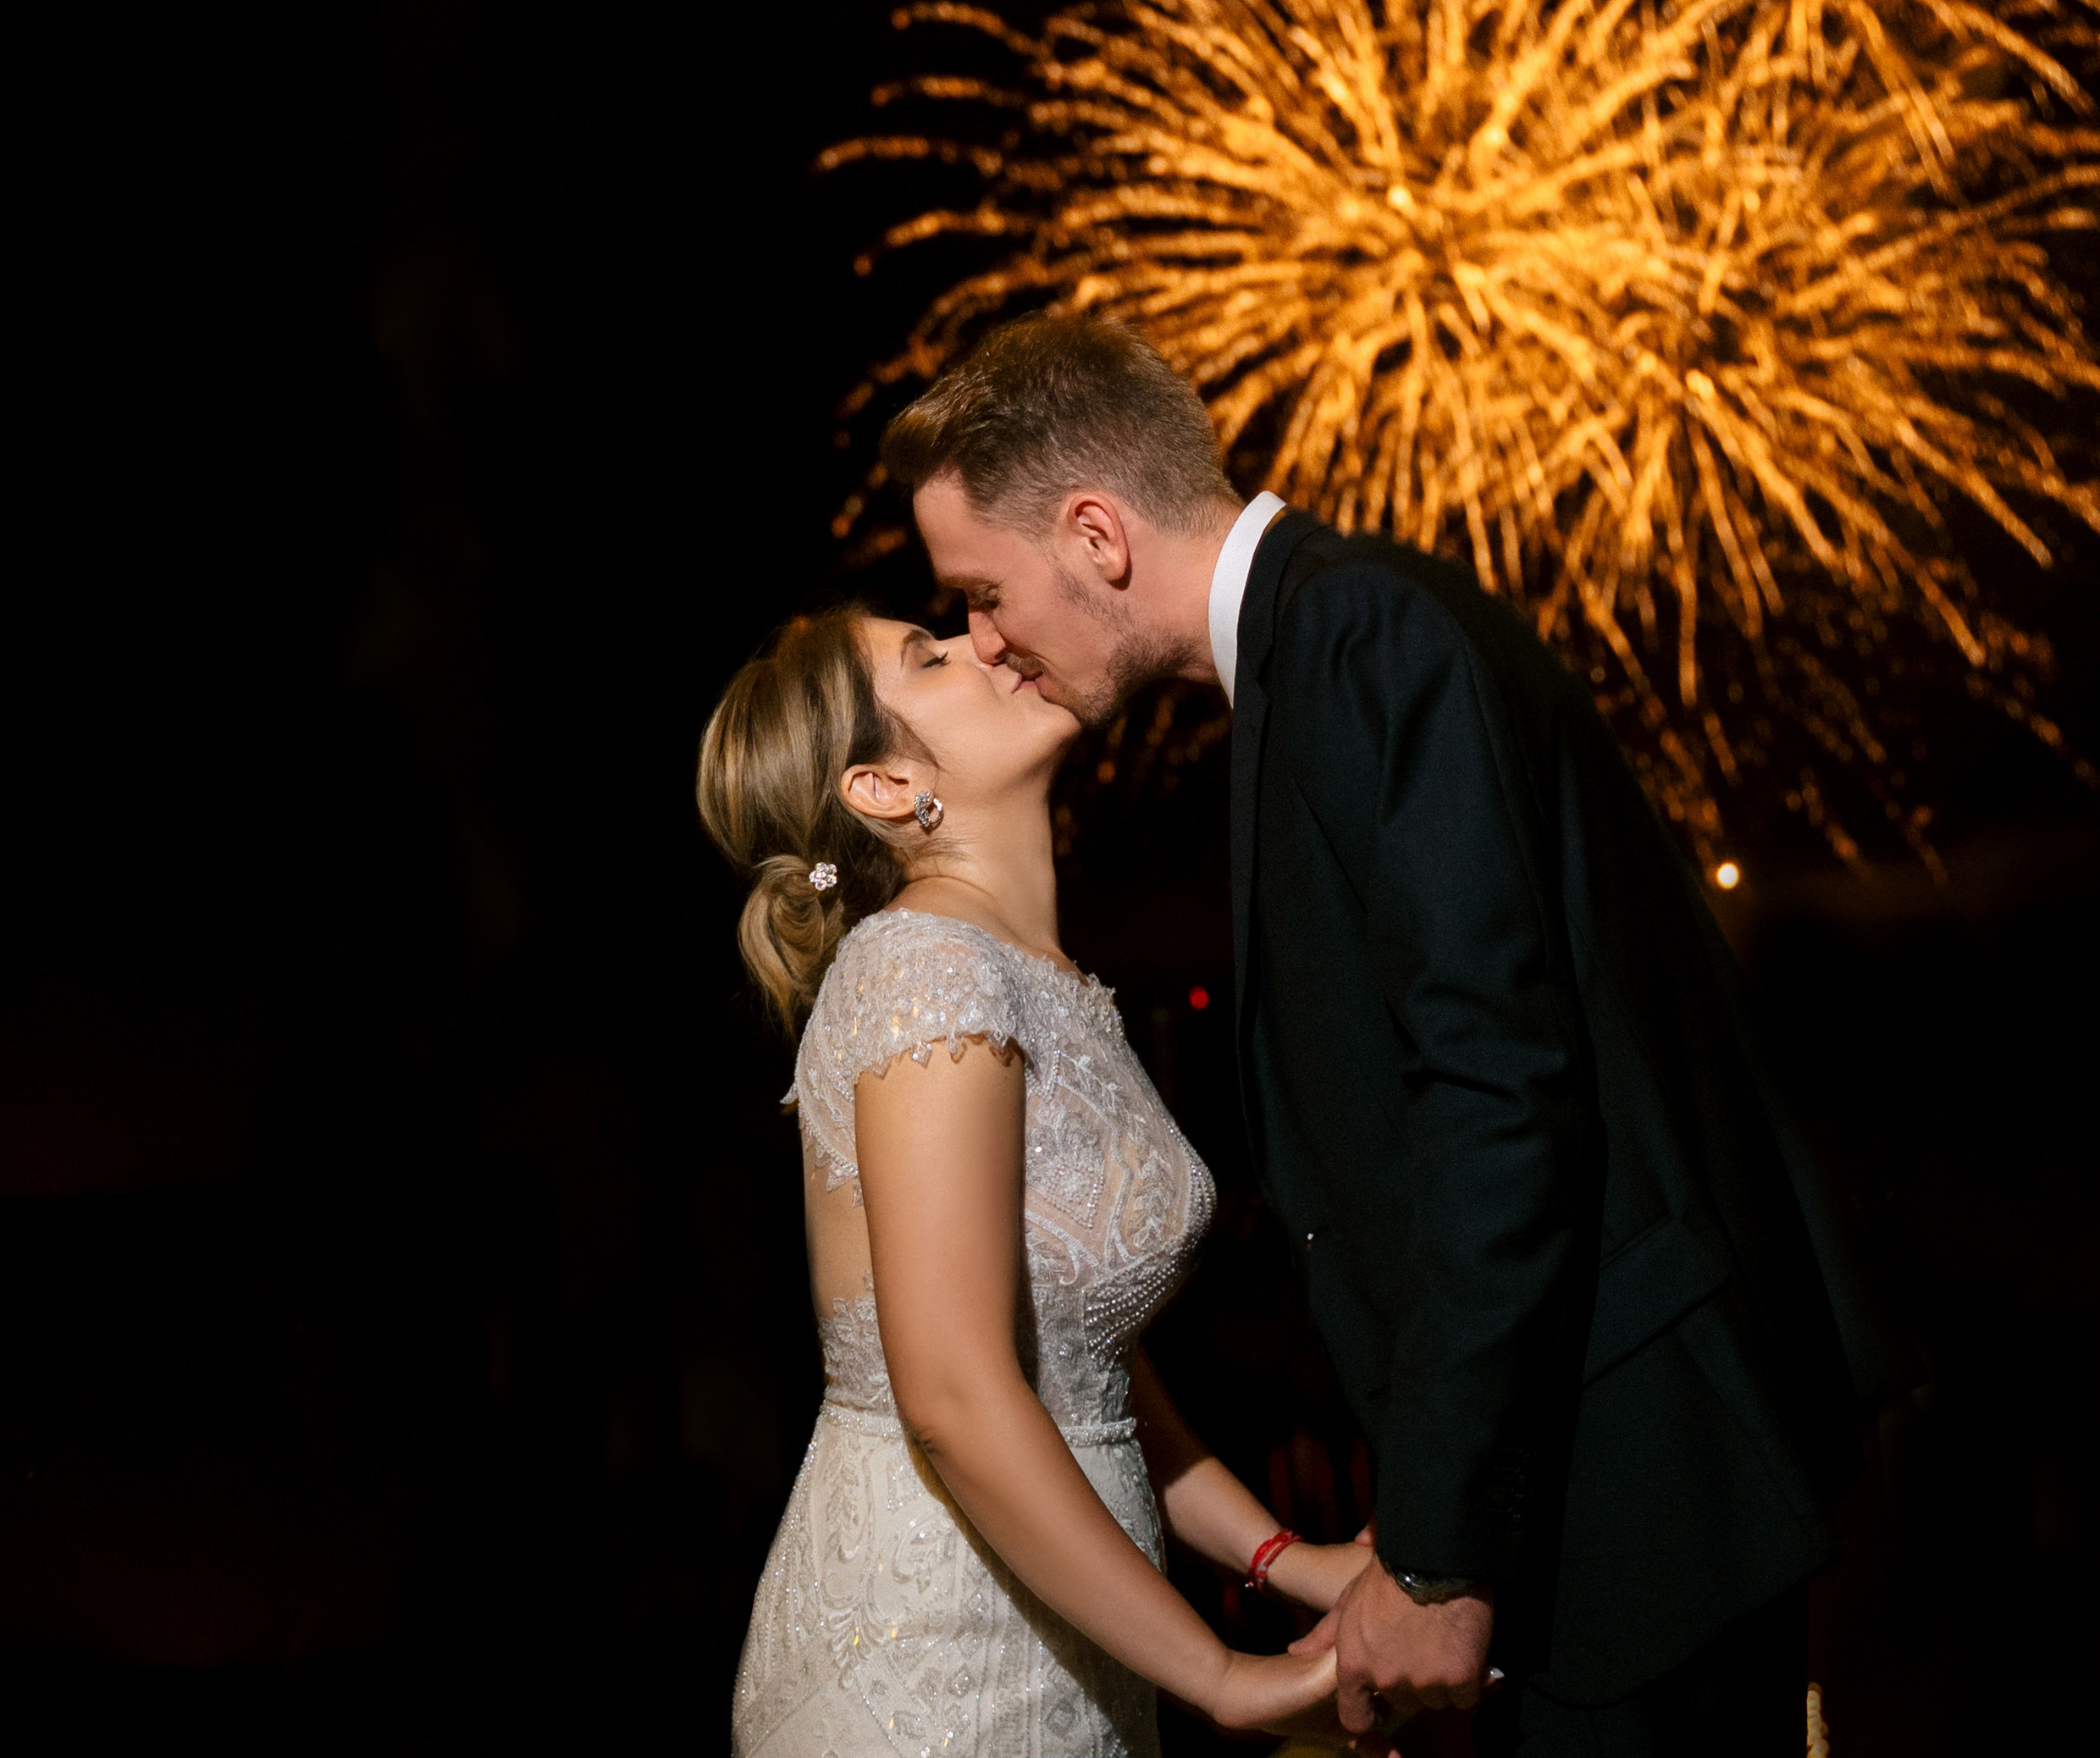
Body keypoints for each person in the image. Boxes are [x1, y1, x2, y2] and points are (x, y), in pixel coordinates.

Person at [884, 312, 1911, 1757]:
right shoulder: (1328, 644)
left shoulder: (1360, 635)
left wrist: (1435, 1550)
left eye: (982, 592)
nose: (987, 638)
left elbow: (1499, 1093)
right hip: (1595, 1481)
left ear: (1097, 535)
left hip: (1625, 1496)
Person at [699, 600, 1376, 1757]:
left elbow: (1071, 1354)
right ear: (880, 787)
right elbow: (958, 1394)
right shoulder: (927, 969)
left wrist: (1287, 1559)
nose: (988, 641)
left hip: (1073, 1646)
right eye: (932, 655)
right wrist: (1220, 1671)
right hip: (930, 1663)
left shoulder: (1022, 971)